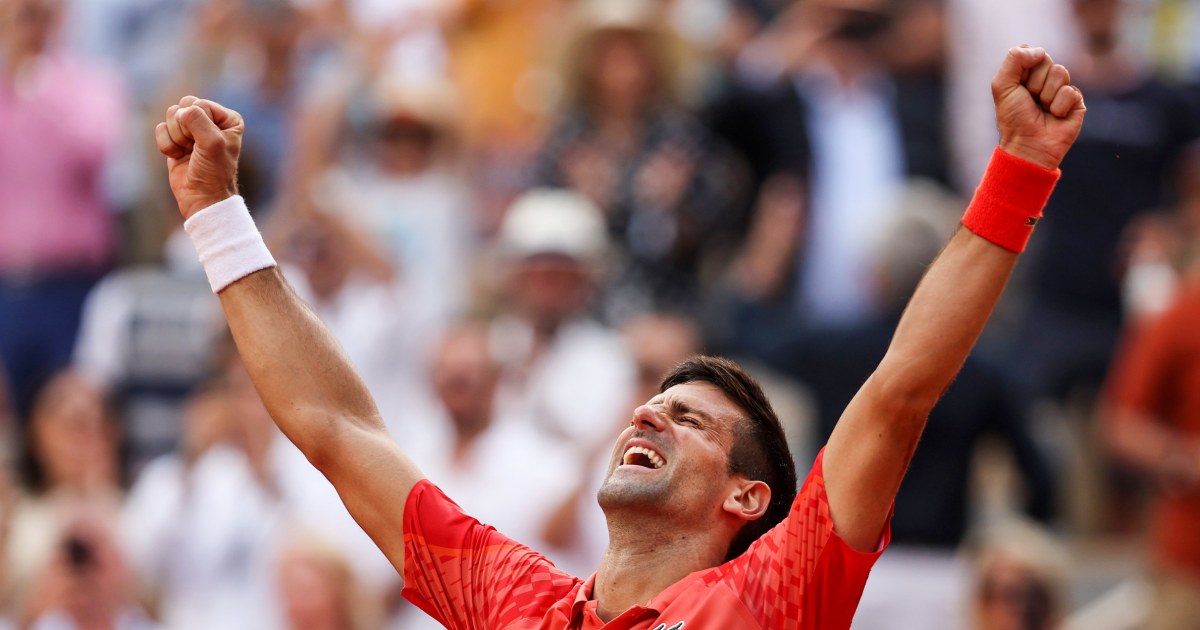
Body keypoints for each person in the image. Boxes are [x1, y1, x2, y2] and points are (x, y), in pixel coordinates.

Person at [154, 44, 1085, 628]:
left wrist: (1019, 171)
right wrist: (217, 214)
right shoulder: (519, 602)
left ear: (748, 498)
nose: (652, 410)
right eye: (657, 400)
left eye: (691, 419)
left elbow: (899, 392)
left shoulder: (778, 593)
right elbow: (334, 427)